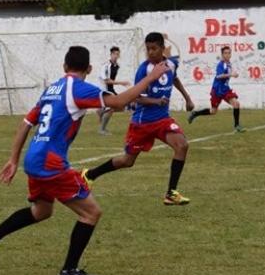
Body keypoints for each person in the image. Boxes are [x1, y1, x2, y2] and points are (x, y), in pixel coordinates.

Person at [0, 46, 169, 275]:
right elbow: (118, 102)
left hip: (34, 158)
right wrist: (150, 77)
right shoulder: (78, 88)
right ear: (89, 68)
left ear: (64, 66)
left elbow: (26, 123)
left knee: (42, 211)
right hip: (51, 163)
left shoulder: (52, 88)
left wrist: (14, 159)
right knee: (91, 213)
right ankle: (69, 270)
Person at [82, 32, 194, 206]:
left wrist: (187, 98)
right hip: (143, 123)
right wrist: (156, 101)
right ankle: (90, 174)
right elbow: (136, 97)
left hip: (163, 120)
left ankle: (171, 193)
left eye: (154, 48)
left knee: (182, 145)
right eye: (148, 49)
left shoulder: (171, 64)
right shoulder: (144, 70)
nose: (150, 52)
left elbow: (175, 78)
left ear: (162, 48)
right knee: (127, 161)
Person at [188, 45, 246, 132]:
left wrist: (234, 74)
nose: (227, 55)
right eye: (225, 53)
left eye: (229, 53)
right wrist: (231, 74)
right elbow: (219, 76)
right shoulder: (221, 64)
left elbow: (227, 75)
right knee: (213, 111)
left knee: (236, 104)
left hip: (225, 89)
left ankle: (237, 126)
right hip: (217, 90)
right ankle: (195, 113)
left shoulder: (229, 64)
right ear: (222, 54)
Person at [96, 46, 131, 134]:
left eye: (117, 54)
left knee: (121, 106)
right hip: (104, 90)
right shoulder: (106, 66)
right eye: (114, 54)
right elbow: (106, 81)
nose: (116, 56)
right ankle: (102, 129)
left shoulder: (117, 66)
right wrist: (121, 83)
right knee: (111, 108)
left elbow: (111, 80)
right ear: (111, 54)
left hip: (110, 89)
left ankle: (101, 111)